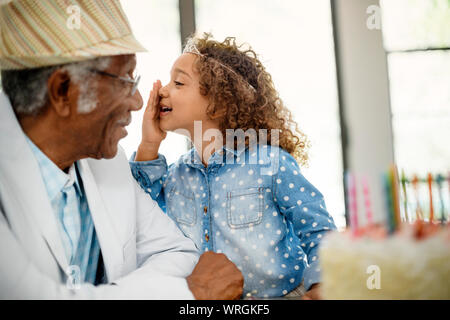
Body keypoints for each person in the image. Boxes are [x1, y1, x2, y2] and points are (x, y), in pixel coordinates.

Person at [0, 0, 243, 299]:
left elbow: (177, 252)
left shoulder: (108, 161)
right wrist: (188, 292)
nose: (139, 102)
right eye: (126, 79)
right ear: (63, 90)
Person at [130, 34, 337, 299]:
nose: (162, 90)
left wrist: (320, 285)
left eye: (178, 82)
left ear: (219, 103)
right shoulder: (175, 176)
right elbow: (135, 212)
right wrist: (149, 143)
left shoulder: (269, 163)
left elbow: (318, 228)